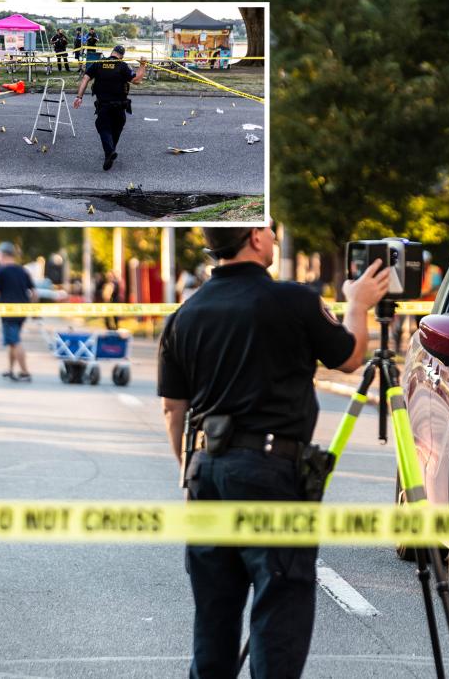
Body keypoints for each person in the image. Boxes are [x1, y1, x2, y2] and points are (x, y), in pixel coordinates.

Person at [157, 225, 388, 678]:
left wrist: (193, 471)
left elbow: (172, 410)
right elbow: (349, 357)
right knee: (278, 611)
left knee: (214, 618)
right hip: (270, 474)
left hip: (206, 472)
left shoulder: (185, 314)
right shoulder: (293, 300)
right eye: (270, 231)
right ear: (256, 239)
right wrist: (358, 304)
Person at [73, 45, 147, 171]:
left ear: (112, 52)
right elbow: (136, 80)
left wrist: (79, 96)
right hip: (119, 106)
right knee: (116, 129)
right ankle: (110, 152)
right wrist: (143, 64)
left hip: (104, 105)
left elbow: (85, 78)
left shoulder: (99, 63)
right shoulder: (122, 65)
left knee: (103, 128)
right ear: (122, 55)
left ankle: (109, 152)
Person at [0, 242, 37, 383]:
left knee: (15, 341)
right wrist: (33, 310)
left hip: (8, 311)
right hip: (22, 311)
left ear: (3, 254)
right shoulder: (23, 271)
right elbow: (34, 293)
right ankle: (10, 369)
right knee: (12, 341)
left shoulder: (0, 271)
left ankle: (25, 372)